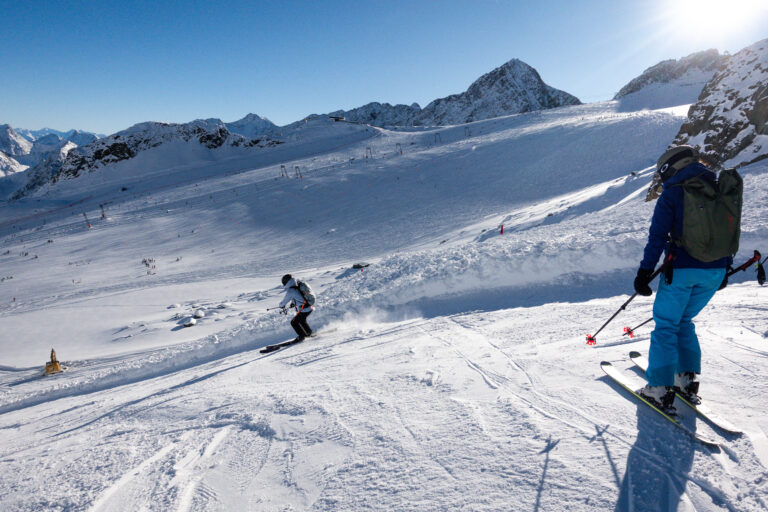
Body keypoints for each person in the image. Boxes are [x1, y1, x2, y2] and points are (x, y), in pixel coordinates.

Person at [634, 145, 733, 415]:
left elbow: (657, 237)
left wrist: (644, 272)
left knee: (666, 325)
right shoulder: (719, 189)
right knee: (683, 321)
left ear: (670, 168)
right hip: (715, 271)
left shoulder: (673, 193)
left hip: (682, 270)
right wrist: (725, 266)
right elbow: (727, 231)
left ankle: (658, 389)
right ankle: (686, 380)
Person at [279, 274, 314, 342]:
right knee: (301, 320)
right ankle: (309, 332)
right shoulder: (297, 285)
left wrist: (281, 305)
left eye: (284, 282)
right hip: (309, 307)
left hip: (304, 309)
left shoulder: (291, 290)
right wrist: (293, 304)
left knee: (294, 322)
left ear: (287, 282)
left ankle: (301, 336)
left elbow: (284, 302)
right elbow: (299, 297)